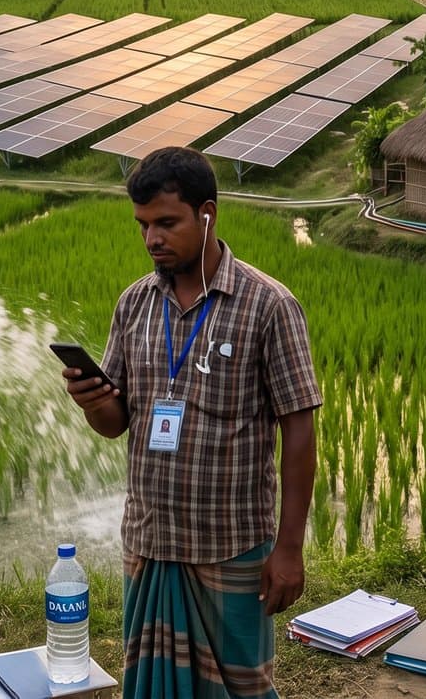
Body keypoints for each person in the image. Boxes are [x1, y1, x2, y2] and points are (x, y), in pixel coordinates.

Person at [64, 147, 319, 699]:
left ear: (207, 214)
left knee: (242, 687)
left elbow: (299, 430)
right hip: (151, 542)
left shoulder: (268, 305)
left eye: (166, 222)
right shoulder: (134, 305)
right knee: (155, 683)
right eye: (143, 225)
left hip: (231, 544)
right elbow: (116, 423)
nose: (152, 238)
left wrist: (290, 549)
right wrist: (92, 399)